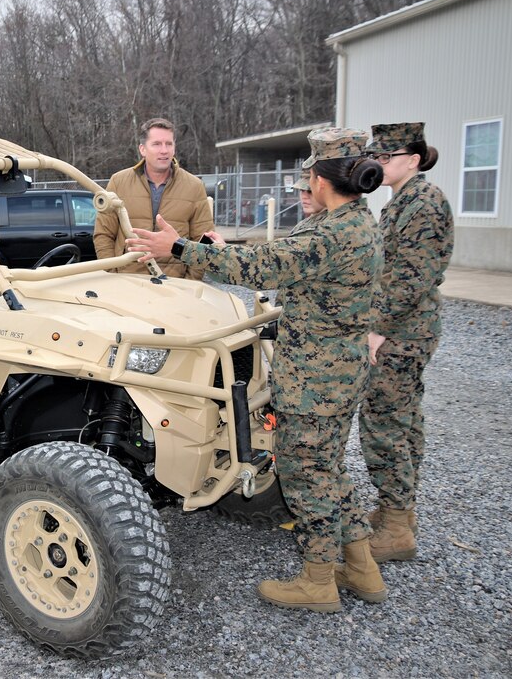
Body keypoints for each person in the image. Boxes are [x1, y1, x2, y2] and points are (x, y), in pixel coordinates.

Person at [126, 128, 387, 612]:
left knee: (306, 474)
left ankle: (318, 581)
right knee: (328, 469)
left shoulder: (331, 233)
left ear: (324, 179)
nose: (306, 179)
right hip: (338, 372)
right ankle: (363, 569)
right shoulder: (358, 222)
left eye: (310, 172)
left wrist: (180, 248)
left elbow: (265, 264)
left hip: (315, 380)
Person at [359, 122, 454, 562]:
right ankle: (398, 512)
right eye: (376, 157)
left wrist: (376, 327)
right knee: (403, 419)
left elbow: (412, 277)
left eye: (386, 157)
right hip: (405, 328)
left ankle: (397, 527)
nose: (379, 164)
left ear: (413, 159)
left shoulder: (424, 203)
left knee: (385, 422)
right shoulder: (404, 201)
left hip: (401, 332)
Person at [94, 118, 213, 279]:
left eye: (169, 144)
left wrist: (192, 281)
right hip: (127, 282)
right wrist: (112, 275)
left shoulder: (194, 186)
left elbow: (204, 240)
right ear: (143, 149)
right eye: (157, 144)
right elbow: (104, 234)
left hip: (176, 286)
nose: (164, 150)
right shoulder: (118, 182)